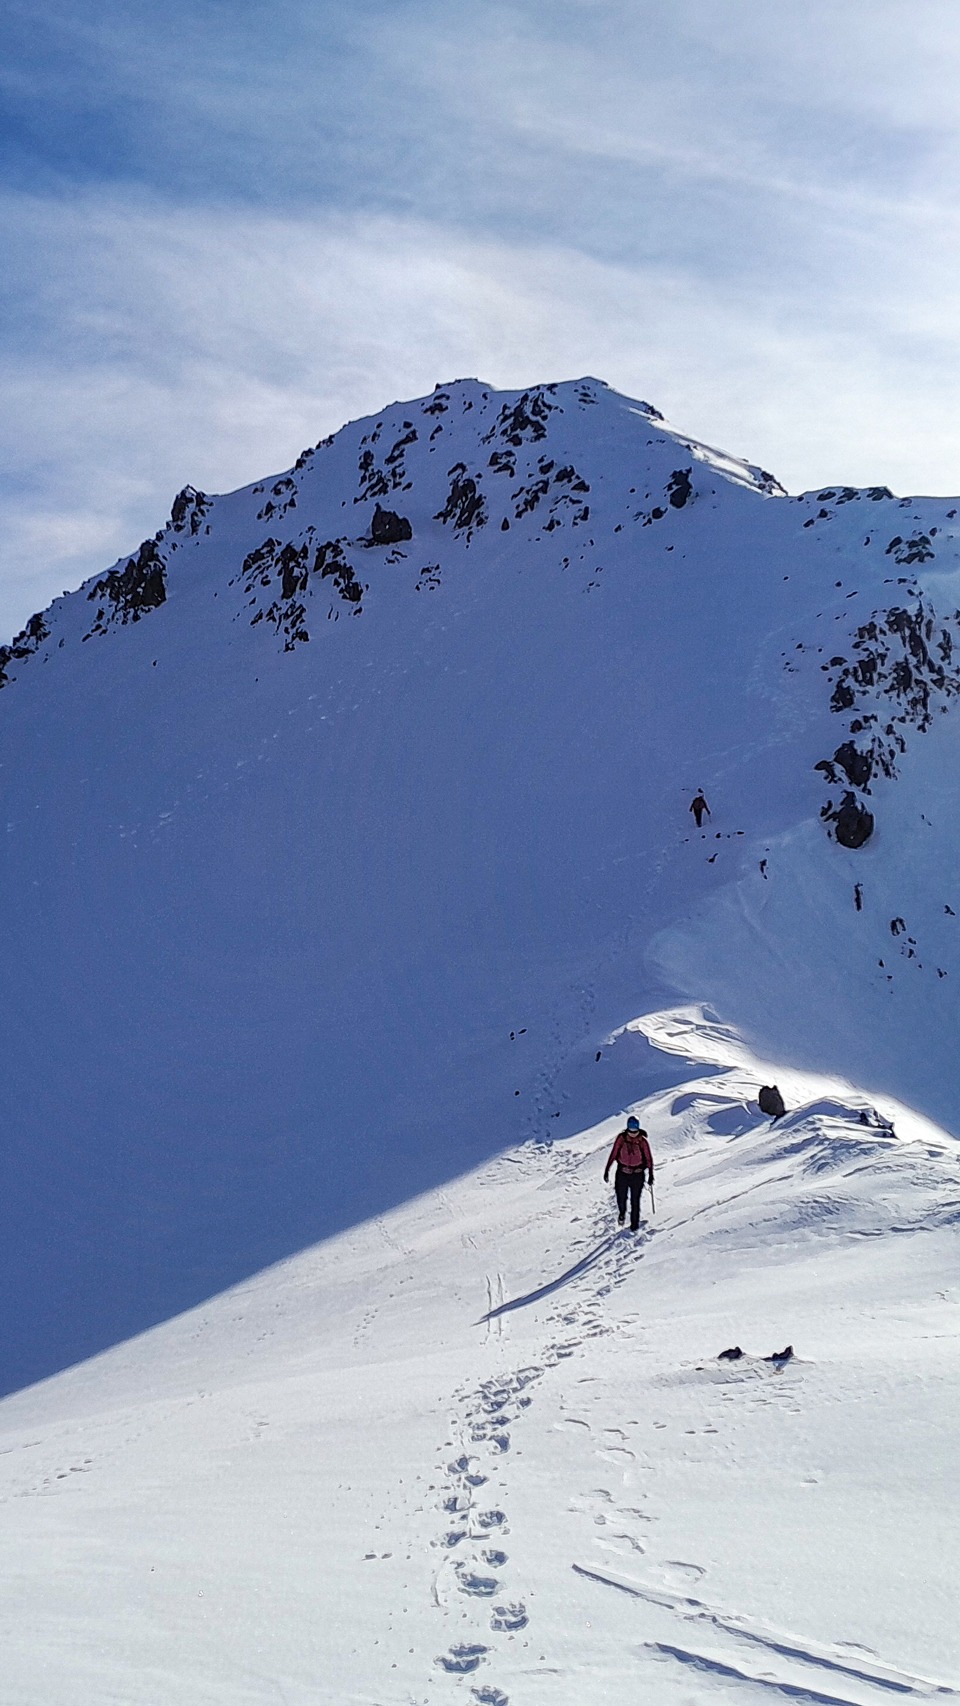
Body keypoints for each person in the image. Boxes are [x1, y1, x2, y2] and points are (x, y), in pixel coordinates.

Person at [603, 1116, 654, 1230]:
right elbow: (614, 1153)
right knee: (621, 1197)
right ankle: (622, 1213)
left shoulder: (642, 1141)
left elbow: (648, 1158)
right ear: (627, 1129)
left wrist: (651, 1174)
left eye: (635, 1131)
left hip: (637, 1174)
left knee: (635, 1200)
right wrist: (607, 1169)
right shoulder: (621, 1138)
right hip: (622, 1173)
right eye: (631, 1131)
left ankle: (634, 1225)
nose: (633, 1134)